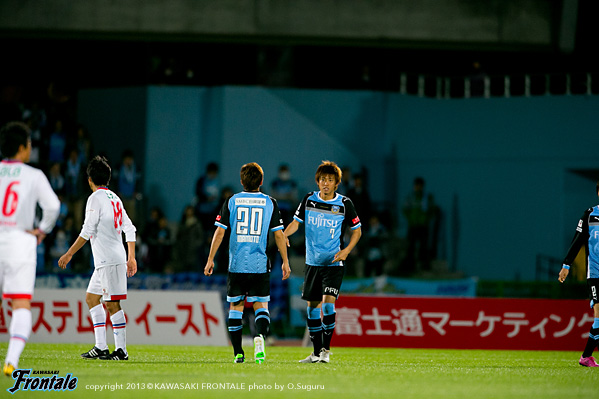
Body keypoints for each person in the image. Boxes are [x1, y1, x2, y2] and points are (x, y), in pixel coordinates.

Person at [204, 162, 290, 364]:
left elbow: (219, 232)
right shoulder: (270, 202)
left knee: (236, 306)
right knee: (261, 305)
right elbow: (278, 235)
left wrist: (210, 258)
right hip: (259, 263)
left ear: (241, 181)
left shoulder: (232, 201)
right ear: (261, 181)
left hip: (237, 264)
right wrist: (285, 261)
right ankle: (259, 338)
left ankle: (238, 354)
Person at [58, 155, 137, 361]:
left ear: (89, 179)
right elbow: (130, 228)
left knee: (112, 304)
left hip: (109, 260)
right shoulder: (115, 198)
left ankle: (121, 350)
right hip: (108, 259)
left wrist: (69, 253)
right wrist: (131, 257)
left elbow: (87, 230)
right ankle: (101, 346)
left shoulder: (95, 198)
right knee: (92, 298)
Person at [284, 160, 362, 363]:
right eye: (323, 179)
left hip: (334, 263)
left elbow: (357, 231)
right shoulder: (309, 200)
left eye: (330, 180)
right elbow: (295, 223)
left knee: (328, 305)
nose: (326, 183)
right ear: (317, 182)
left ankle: (326, 351)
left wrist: (346, 251)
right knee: (312, 308)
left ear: (337, 183)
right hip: (313, 263)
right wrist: (284, 235)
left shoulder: (344, 204)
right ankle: (316, 352)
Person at [1, 122, 60, 376]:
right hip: (20, 244)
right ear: (23, 148)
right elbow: (53, 206)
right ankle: (11, 361)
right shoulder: (33, 175)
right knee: (21, 303)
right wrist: (42, 230)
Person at [558, 181, 599, 367]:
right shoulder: (590, 214)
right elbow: (577, 240)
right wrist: (566, 265)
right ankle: (585, 357)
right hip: (596, 274)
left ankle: (586, 357)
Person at [401, 177, 438, 274]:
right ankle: (410, 266)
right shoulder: (411, 197)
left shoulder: (426, 197)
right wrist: (410, 219)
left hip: (423, 226)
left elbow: (432, 210)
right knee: (411, 246)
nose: (417, 187)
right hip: (413, 225)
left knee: (424, 246)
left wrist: (426, 219)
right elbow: (405, 209)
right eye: (416, 185)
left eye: (419, 185)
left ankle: (424, 265)